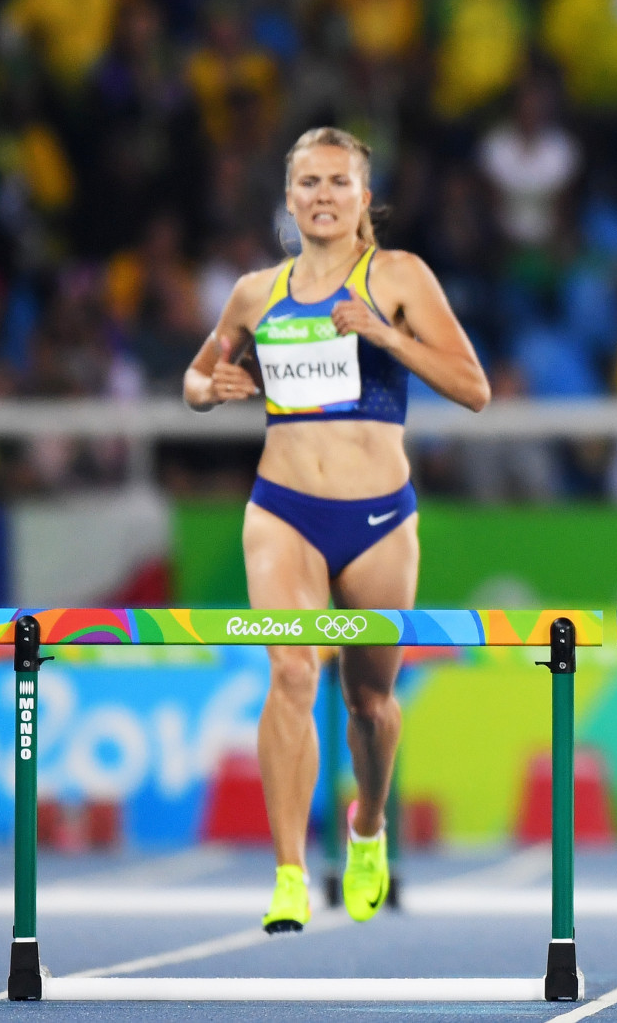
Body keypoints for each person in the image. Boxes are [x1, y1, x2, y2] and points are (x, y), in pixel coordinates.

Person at [184, 128, 490, 934]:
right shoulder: (255, 293)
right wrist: (211, 389)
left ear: (364, 198)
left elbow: (474, 388)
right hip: (282, 510)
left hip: (379, 519)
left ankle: (369, 825)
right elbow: (197, 374)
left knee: (370, 704)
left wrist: (386, 334)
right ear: (289, 199)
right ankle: (289, 873)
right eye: (309, 182)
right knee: (291, 672)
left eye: (338, 182)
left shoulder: (398, 276)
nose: (323, 195)